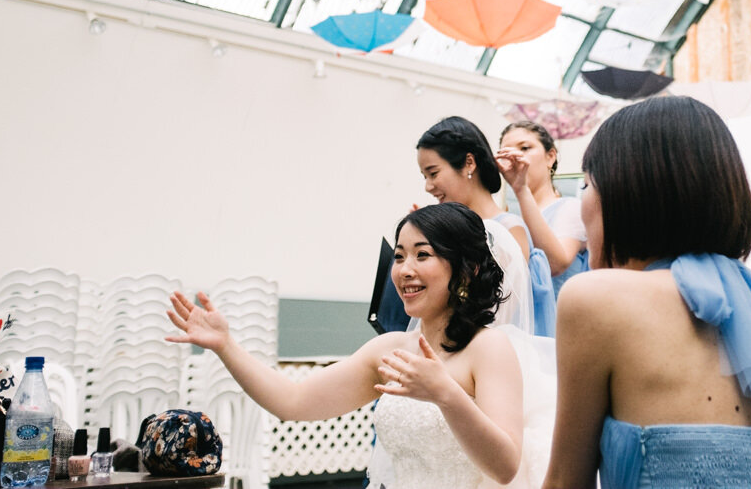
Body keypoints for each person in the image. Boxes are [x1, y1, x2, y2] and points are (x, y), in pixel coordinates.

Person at [165, 203, 537, 489]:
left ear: (467, 269)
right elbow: (294, 402)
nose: (405, 269)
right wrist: (226, 345)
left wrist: (446, 394)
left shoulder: (489, 349)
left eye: (423, 255)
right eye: (399, 255)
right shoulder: (390, 348)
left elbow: (505, 466)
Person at [542, 96, 751, 489]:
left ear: (629, 191)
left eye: (585, 184)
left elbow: (566, 481)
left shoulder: (594, 298)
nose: (581, 206)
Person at [417, 117, 534, 332]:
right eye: (424, 176)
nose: (428, 186)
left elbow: (501, 316)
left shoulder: (508, 229)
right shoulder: (453, 233)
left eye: (433, 173)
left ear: (469, 163)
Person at [496, 121, 588, 298]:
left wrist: (520, 189)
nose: (515, 157)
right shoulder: (513, 219)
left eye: (524, 148)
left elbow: (555, 264)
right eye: (506, 153)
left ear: (550, 156)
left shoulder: (570, 207)